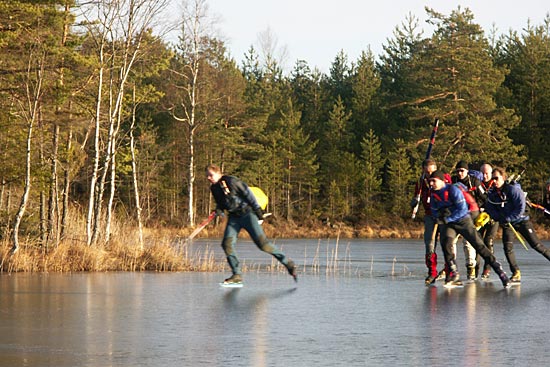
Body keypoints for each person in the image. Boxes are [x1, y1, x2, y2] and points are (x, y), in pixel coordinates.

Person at [206, 164, 297, 285]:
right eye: (207, 175)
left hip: (247, 214)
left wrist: (258, 210)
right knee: (226, 244)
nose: (208, 178)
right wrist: (218, 210)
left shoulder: (231, 181)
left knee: (263, 245)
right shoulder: (214, 188)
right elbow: (222, 203)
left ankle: (288, 264)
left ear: (218, 173)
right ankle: (236, 275)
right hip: (234, 218)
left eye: (211, 175)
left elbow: (247, 193)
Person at [428, 170, 510, 288]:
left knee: (479, 246)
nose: (431, 184)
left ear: (442, 181)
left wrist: (447, 218)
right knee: (446, 243)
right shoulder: (433, 193)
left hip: (463, 220)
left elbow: (462, 210)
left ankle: (500, 272)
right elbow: (434, 210)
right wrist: (439, 217)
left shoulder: (452, 190)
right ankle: (453, 272)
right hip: (449, 222)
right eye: (430, 181)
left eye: (434, 181)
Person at [485, 167, 550, 283]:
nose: (494, 181)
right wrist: (499, 218)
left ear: (503, 178)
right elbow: (490, 208)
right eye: (492, 178)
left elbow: (521, 207)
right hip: (507, 223)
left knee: (536, 245)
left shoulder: (513, 189)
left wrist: (509, 218)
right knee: (507, 247)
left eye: (496, 178)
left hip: (521, 221)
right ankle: (516, 272)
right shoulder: (492, 194)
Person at [410, 159, 451, 285]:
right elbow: (417, 196)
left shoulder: (445, 178)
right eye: (427, 173)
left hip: (444, 215)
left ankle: (449, 272)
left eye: (432, 172)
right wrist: (414, 203)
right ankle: (432, 272)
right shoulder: (421, 182)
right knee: (430, 244)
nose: (430, 175)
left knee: (447, 243)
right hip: (430, 215)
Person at [451, 160, 484, 280]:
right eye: (458, 171)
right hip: (455, 215)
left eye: (462, 171)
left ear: (467, 171)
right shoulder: (453, 181)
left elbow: (484, 196)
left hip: (470, 215)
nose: (460, 173)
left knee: (467, 242)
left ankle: (471, 267)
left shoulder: (474, 181)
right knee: (451, 242)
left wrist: (483, 210)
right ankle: (451, 267)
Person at [477, 163, 499, 279]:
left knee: (488, 240)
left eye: (487, 173)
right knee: (477, 241)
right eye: (483, 173)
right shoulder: (476, 184)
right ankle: (475, 267)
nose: (485, 176)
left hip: (493, 217)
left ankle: (487, 268)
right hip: (480, 217)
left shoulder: (495, 184)